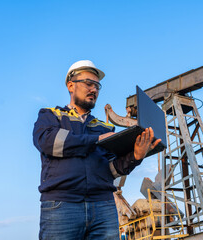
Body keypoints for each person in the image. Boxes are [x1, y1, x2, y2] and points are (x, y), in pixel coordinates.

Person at [33, 60, 161, 240]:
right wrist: (95, 140)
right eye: (88, 84)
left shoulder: (105, 128)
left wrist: (135, 157)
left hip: (103, 207)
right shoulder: (51, 116)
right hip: (62, 205)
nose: (94, 89)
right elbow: (48, 142)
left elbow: (111, 169)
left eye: (97, 86)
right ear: (71, 85)